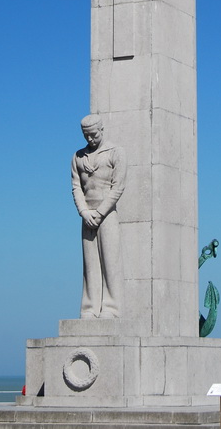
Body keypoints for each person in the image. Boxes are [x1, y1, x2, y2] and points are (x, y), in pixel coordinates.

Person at [71, 113, 127, 318]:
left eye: (93, 135)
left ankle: (111, 308)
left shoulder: (116, 152)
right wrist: (84, 211)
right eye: (86, 136)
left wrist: (101, 212)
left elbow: (118, 187)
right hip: (87, 215)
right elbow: (76, 187)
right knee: (90, 264)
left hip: (107, 214)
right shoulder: (77, 156)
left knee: (110, 262)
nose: (89, 139)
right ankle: (89, 308)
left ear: (101, 130)